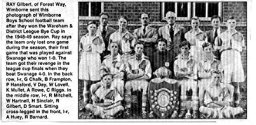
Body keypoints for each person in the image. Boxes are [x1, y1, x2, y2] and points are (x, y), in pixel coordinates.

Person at [217, 16, 246, 107]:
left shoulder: (240, 35)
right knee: (226, 82)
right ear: (226, 24)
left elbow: (243, 48)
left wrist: (236, 51)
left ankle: (236, 103)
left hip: (236, 59)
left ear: (236, 24)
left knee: (236, 82)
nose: (232, 24)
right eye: (230, 22)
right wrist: (224, 48)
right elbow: (216, 48)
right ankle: (227, 103)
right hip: (225, 58)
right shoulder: (221, 35)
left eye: (233, 22)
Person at [79, 21, 105, 105]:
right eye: (91, 27)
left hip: (94, 59)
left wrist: (94, 49)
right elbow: (80, 49)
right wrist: (84, 50)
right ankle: (86, 102)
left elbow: (102, 49)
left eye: (94, 27)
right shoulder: (84, 38)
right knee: (86, 82)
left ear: (96, 28)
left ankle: (94, 103)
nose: (92, 29)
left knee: (95, 82)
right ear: (87, 28)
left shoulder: (99, 38)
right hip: (86, 60)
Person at [124, 41, 152, 118]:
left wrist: (136, 76)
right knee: (127, 85)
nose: (139, 50)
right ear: (134, 48)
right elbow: (128, 75)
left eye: (141, 48)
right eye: (138, 48)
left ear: (143, 49)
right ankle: (128, 108)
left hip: (142, 81)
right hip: (132, 81)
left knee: (146, 85)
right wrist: (140, 74)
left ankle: (143, 110)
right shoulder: (129, 60)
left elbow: (148, 75)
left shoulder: (146, 61)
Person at [173, 41, 198, 118]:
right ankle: (182, 110)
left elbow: (194, 73)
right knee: (182, 91)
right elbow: (176, 74)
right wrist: (187, 73)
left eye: (186, 48)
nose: (184, 50)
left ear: (189, 49)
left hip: (191, 80)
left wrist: (183, 73)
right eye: (182, 48)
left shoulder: (193, 60)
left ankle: (194, 111)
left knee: (194, 89)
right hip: (181, 80)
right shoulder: (177, 61)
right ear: (180, 49)